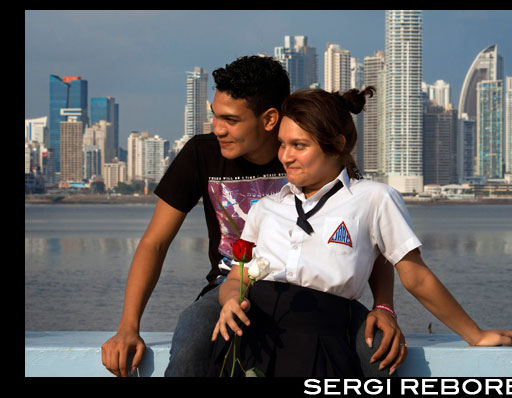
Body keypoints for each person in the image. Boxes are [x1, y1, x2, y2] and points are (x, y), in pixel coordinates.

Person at [101, 56, 406, 377]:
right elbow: (155, 242)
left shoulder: (310, 151)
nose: (218, 129)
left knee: (378, 353)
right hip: (231, 288)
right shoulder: (200, 154)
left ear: (270, 118)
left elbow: (371, 235)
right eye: (214, 116)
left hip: (319, 300)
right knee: (192, 343)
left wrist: (383, 306)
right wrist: (127, 327)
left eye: (230, 120)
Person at [209, 86, 512, 377]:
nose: (285, 156)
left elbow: (415, 276)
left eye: (299, 145)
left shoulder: (374, 199)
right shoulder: (264, 209)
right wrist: (229, 301)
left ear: (337, 145)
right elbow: (238, 276)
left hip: (322, 342)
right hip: (252, 340)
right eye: (282, 144)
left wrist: (474, 334)